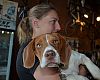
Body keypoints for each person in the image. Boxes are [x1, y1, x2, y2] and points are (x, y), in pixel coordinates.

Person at [16, 2, 61, 80]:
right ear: (36, 23)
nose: (59, 27)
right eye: (53, 21)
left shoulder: (45, 46)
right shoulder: (32, 48)